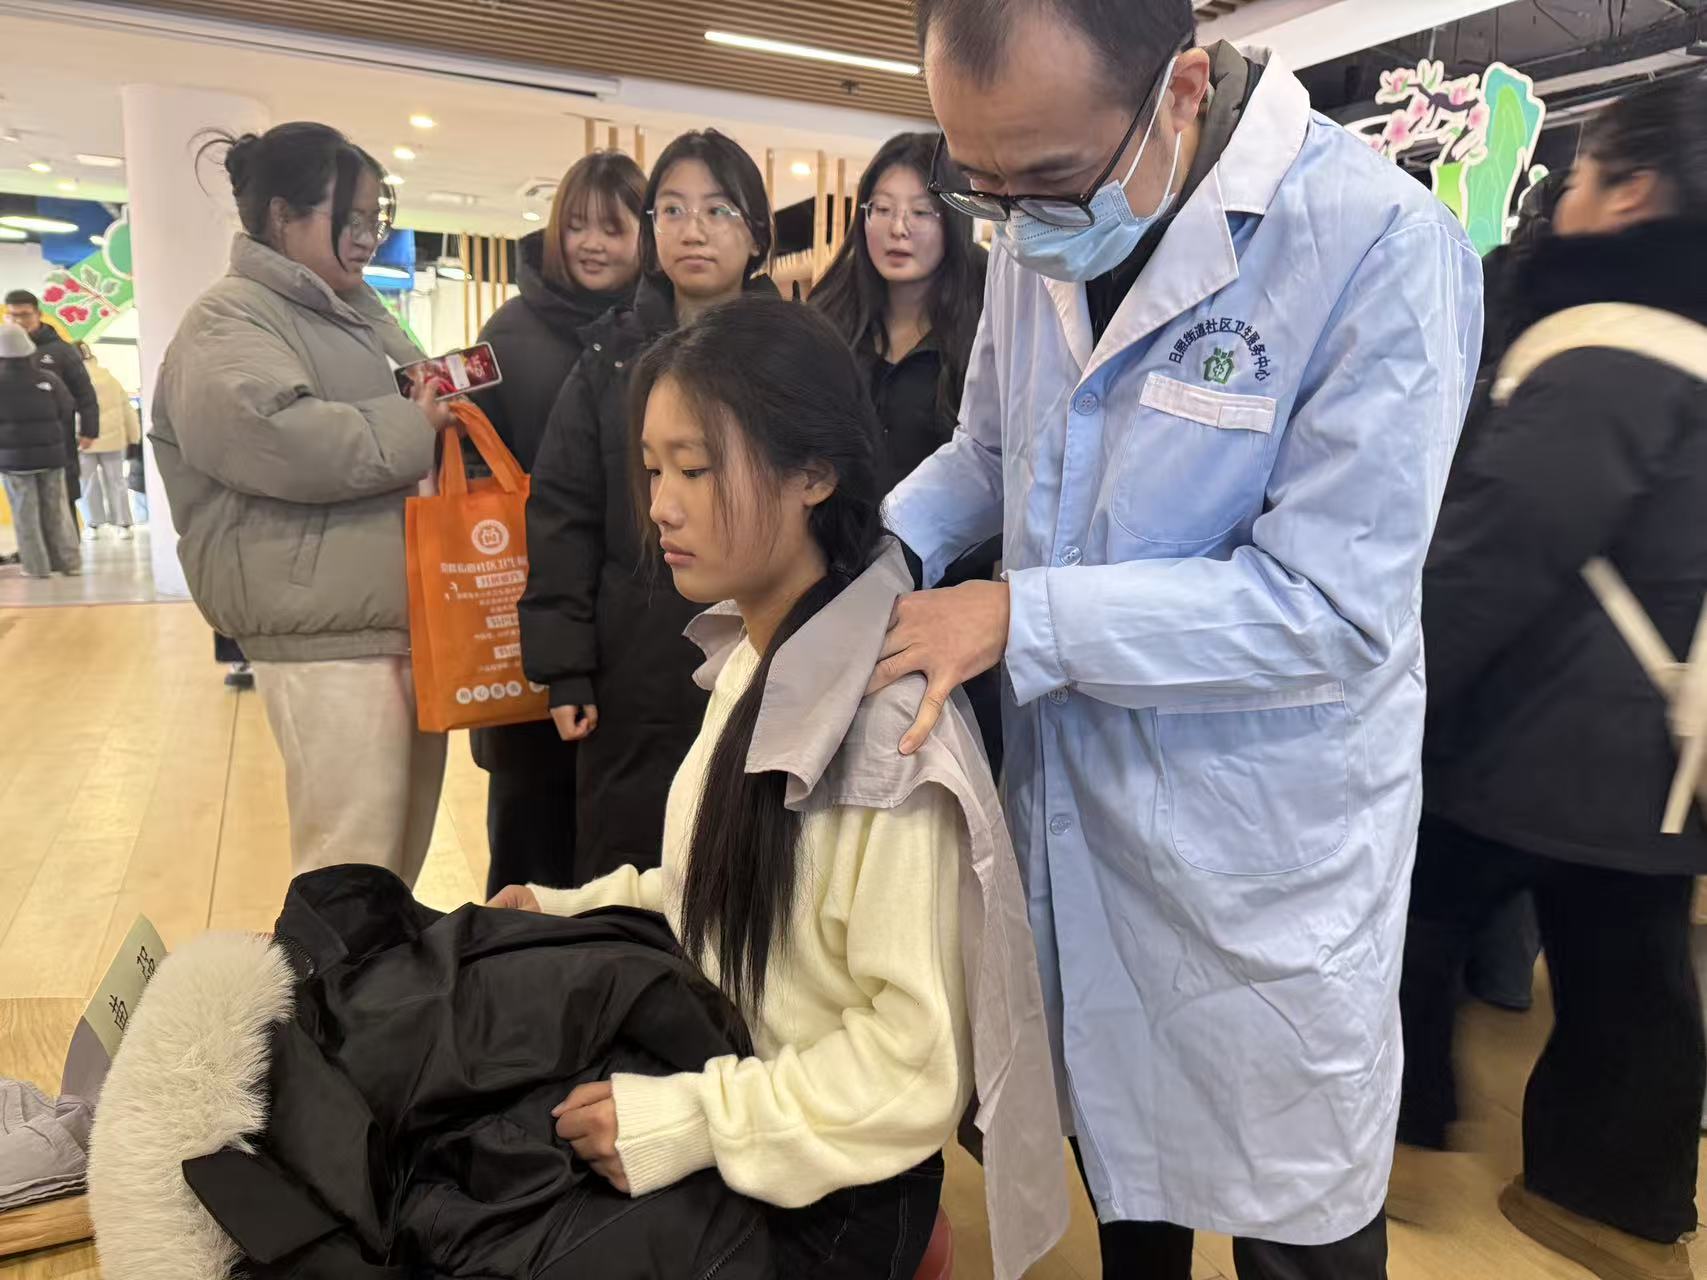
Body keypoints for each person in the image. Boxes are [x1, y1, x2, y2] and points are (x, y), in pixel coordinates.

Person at [872, 3, 1484, 1276]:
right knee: (1125, 1182)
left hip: (1263, 852)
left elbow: (1329, 608)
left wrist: (1022, 615)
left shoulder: (1376, 243)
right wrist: (880, 555)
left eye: (1048, 178)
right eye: (980, 185)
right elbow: (989, 449)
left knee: (1292, 1221)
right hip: (1082, 818)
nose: (1017, 219)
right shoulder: (1033, 230)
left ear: (1184, 89)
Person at [493, 296, 1066, 1280]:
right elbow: (722, 894)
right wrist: (568, 908)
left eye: (696, 469)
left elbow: (909, 1063)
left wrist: (694, 1118)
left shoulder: (881, 731)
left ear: (813, 474)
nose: (661, 506)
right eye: (653, 470)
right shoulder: (764, 655)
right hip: (754, 1102)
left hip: (835, 1193)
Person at [1399, 71, 1707, 1280]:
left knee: (1413, 920)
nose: (1564, 195)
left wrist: (1403, 684)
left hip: (1542, 731)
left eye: (1579, 173)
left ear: (1632, 190)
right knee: (1631, 971)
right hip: (1655, 742)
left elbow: (1501, 544)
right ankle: (1620, 1202)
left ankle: (1394, 1136)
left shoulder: (1607, 343)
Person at [151, 122, 455, 884]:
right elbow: (275, 435)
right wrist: (413, 424)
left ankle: (381, 966)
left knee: (396, 848)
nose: (366, 239)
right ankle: (336, 969)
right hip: (323, 628)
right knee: (348, 854)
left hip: (387, 615)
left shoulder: (345, 309)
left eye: (374, 220)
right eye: (349, 219)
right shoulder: (231, 317)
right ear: (283, 215)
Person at [520, 129, 777, 887]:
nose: (693, 230)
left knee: (751, 855)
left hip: (767, 642)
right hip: (636, 650)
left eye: (718, 210)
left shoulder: (793, 355)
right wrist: (565, 668)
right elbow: (563, 509)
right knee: (628, 856)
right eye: (672, 209)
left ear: (757, 234)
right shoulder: (611, 356)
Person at [470, 150, 646, 898]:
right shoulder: (506, 335)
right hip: (530, 607)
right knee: (529, 830)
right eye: (576, 226)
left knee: (623, 843)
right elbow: (466, 455)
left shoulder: (658, 334)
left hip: (633, 624)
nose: (592, 244)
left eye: (613, 227)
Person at [809, 131, 1004, 772]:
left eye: (922, 211)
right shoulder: (827, 324)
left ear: (954, 218)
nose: (899, 228)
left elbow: (993, 470)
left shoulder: (987, 324)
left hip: (952, 606)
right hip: (837, 588)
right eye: (882, 209)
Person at [4, 289, 99, 514]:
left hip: (57, 441)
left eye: (25, 315)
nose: (19, 321)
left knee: (62, 505)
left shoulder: (61, 351)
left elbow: (84, 392)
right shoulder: (3, 351)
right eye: (13, 315)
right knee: (24, 509)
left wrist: (89, 429)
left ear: (38, 314)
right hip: (15, 445)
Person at [0, 322, 81, 578]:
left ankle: (36, 568)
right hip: (52, 456)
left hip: (14, 462)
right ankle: (69, 563)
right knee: (57, 511)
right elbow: (66, 409)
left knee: (25, 514)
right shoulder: (48, 379)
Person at [73, 342, 140, 542]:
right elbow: (127, 409)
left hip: (84, 439)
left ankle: (92, 525)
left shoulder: (72, 380)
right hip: (114, 439)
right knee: (117, 481)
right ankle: (123, 525)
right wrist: (133, 436)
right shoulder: (110, 379)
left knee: (86, 483)